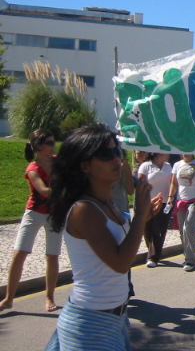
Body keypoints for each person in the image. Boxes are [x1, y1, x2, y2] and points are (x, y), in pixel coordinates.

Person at [44, 124, 160, 350]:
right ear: (85, 165)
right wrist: (140, 217)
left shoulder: (106, 205)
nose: (117, 160)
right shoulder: (84, 210)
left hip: (116, 318)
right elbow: (120, 263)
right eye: (107, 155)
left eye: (118, 152)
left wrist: (144, 217)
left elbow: (119, 241)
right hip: (90, 323)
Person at [0, 130, 62, 313]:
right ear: (39, 146)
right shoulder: (33, 168)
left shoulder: (58, 161)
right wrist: (66, 190)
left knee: (52, 255)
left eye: (53, 142)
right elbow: (43, 191)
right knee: (20, 253)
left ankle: (50, 296)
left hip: (55, 214)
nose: (53, 145)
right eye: (50, 143)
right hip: (34, 212)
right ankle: (9, 298)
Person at [167, 154, 195, 271]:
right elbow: (174, 183)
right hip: (181, 201)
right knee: (182, 230)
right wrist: (170, 196)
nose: (185, 152)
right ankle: (187, 253)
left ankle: (190, 260)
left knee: (189, 227)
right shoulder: (177, 165)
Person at [138, 153, 173, 267]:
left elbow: (173, 182)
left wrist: (171, 197)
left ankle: (153, 257)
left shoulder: (168, 166)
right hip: (149, 201)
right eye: (165, 153)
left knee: (160, 229)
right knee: (148, 228)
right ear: (157, 154)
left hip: (164, 202)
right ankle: (153, 251)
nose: (168, 155)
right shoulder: (145, 166)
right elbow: (140, 184)